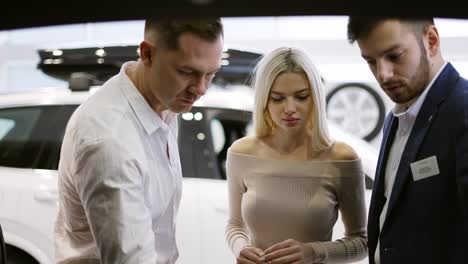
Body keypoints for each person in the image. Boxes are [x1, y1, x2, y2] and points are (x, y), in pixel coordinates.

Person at [54, 17, 223, 264]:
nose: (200, 89)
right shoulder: (110, 141)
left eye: (211, 74)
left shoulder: (163, 100)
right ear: (147, 54)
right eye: (187, 72)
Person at [225, 47, 368, 264]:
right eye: (277, 99)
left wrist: (314, 252)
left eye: (301, 97)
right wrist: (241, 248)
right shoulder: (242, 153)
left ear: (315, 98)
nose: (290, 108)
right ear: (264, 100)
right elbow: (235, 224)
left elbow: (361, 241)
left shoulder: (341, 158)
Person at [347, 16, 468, 264]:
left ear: (431, 41)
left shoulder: (463, 110)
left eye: (394, 56)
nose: (383, 74)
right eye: (371, 61)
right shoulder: (395, 118)